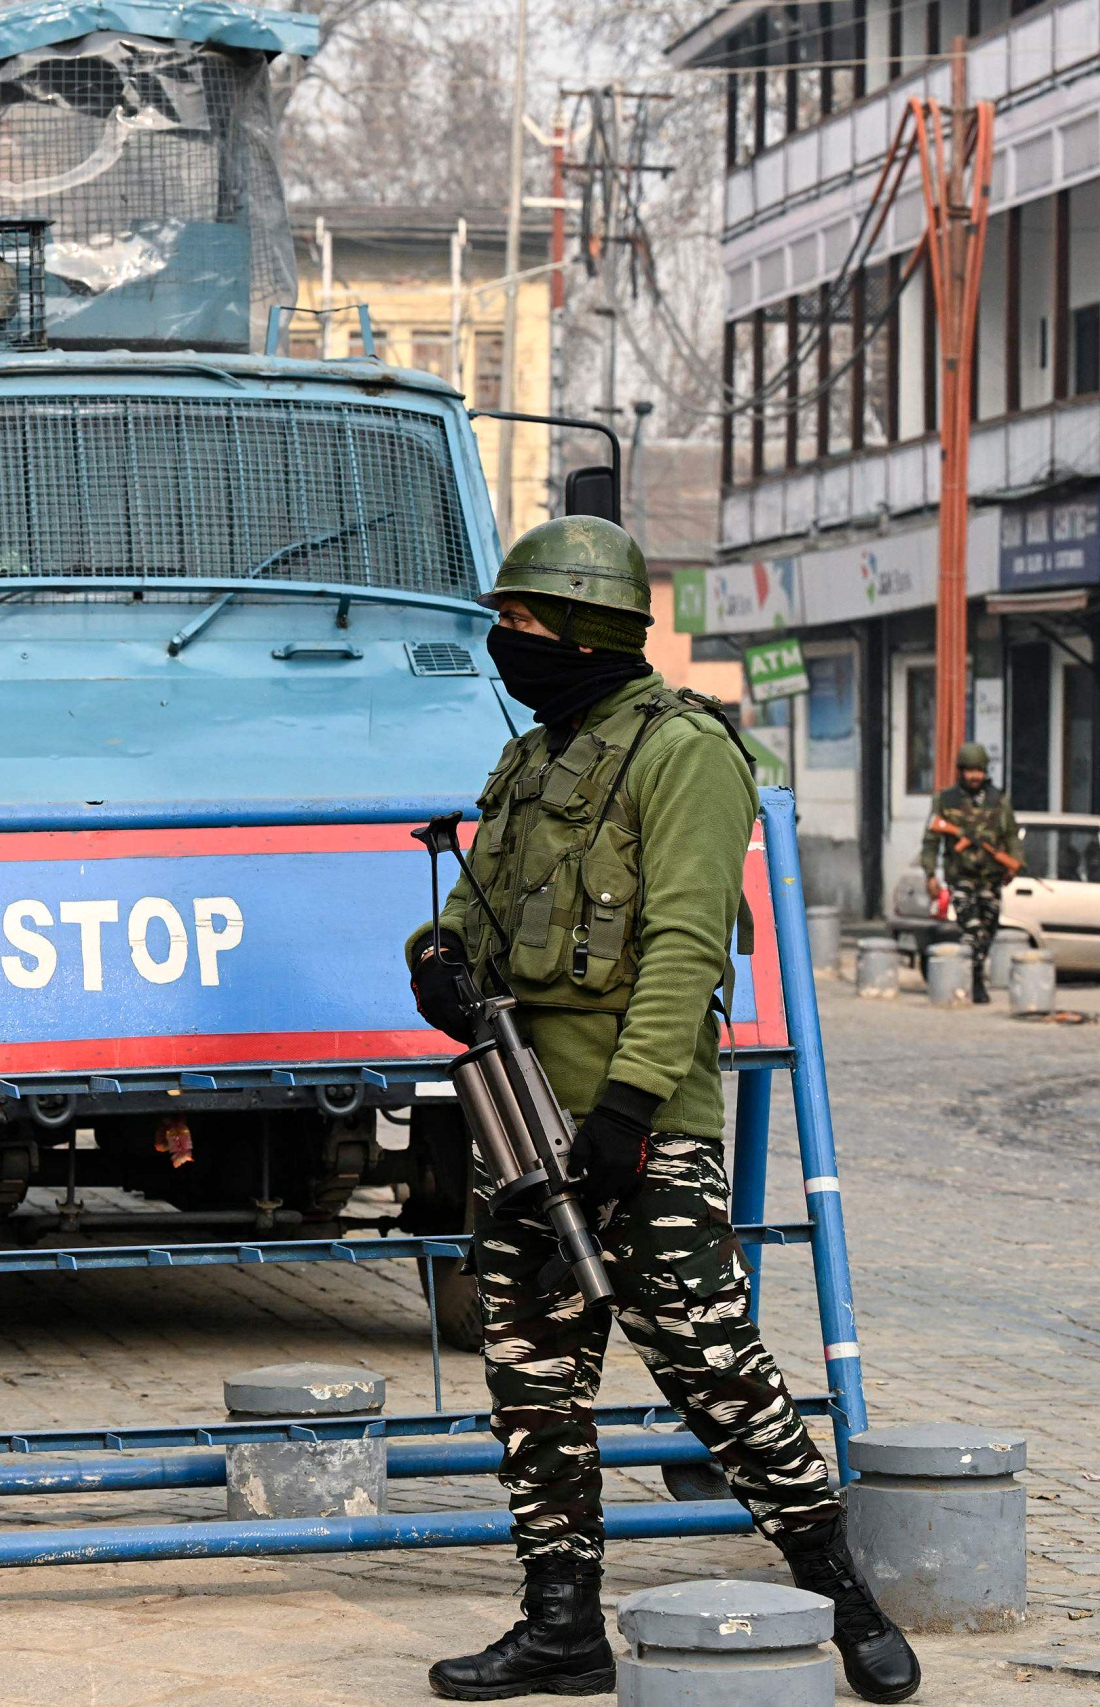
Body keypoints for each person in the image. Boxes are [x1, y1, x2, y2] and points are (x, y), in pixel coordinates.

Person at [407, 517, 919, 1705]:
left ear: (587, 627)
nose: (506, 643)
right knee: (532, 1383)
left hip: (632, 1120)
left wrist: (628, 1111)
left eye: (525, 623)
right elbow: (484, 917)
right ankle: (560, 1622)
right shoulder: (533, 759)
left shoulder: (684, 753)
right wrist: (435, 962)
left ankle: (842, 1594)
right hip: (517, 1115)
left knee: (711, 1367)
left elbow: (685, 944)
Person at [922, 741, 1022, 1004]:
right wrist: (930, 873)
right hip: (961, 875)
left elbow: (1011, 835)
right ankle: (974, 978)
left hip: (991, 876)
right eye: (970, 770)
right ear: (961, 771)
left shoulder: (998, 800)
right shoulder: (946, 800)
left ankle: (976, 969)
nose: (975, 776)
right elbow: (931, 840)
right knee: (972, 928)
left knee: (989, 929)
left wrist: (1014, 864)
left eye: (979, 770)